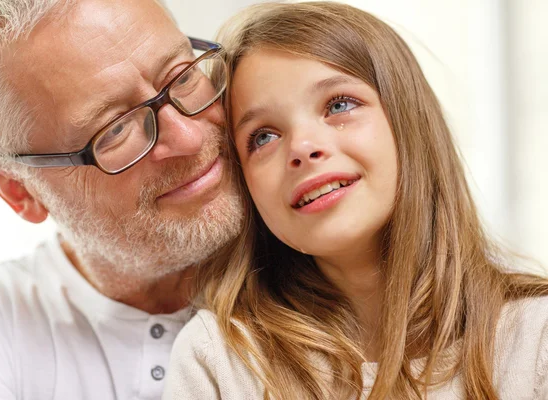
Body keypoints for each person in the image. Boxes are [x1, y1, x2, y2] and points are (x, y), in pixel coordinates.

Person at [163, 2, 548, 399]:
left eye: (339, 105)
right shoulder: (220, 361)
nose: (303, 147)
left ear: (408, 121)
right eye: (263, 136)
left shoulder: (536, 340)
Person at [0, 0, 243, 398]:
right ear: (20, 191)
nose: (189, 138)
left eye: (183, 76)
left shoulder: (330, 253)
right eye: (115, 130)